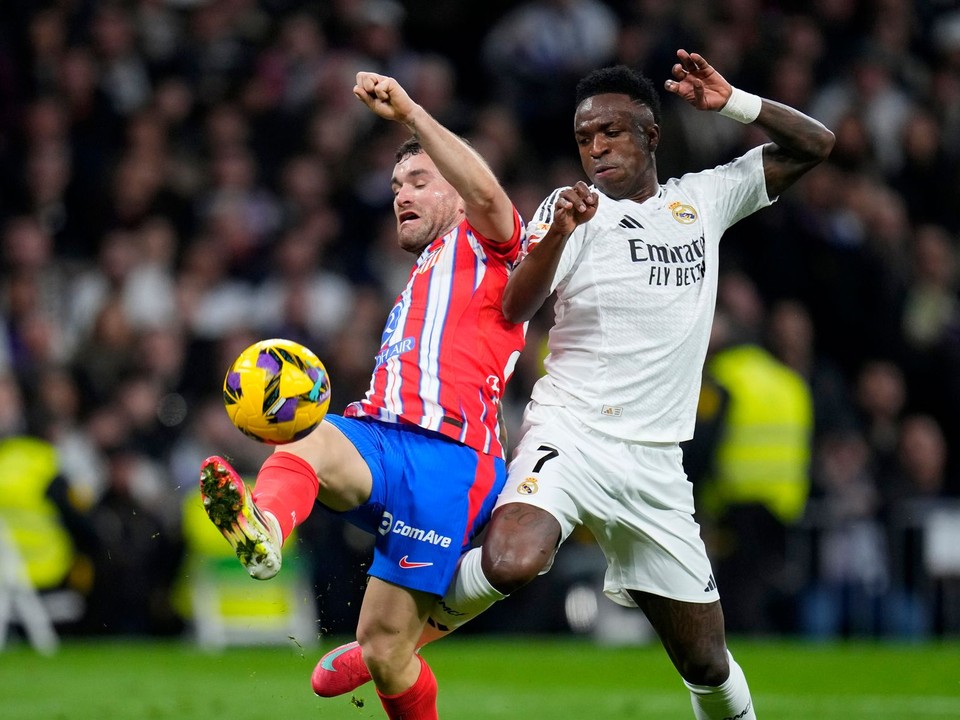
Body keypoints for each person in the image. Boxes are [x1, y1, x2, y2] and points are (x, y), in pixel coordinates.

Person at [315, 49, 834, 719]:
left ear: (650, 133)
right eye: (585, 138)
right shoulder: (573, 208)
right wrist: (560, 233)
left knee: (706, 661)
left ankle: (394, 642)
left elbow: (815, 145)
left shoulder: (702, 201)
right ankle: (394, 643)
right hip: (573, 432)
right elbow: (514, 305)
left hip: (655, 463)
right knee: (510, 559)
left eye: (610, 132)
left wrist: (733, 102)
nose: (596, 148)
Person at [199, 70, 526, 720]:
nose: (401, 195)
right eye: (396, 185)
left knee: (384, 652)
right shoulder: (418, 276)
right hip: (381, 438)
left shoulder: (490, 246)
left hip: (450, 461)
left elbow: (486, 188)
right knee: (309, 432)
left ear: (457, 194)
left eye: (419, 181)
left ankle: (383, 653)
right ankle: (265, 531)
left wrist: (410, 115)